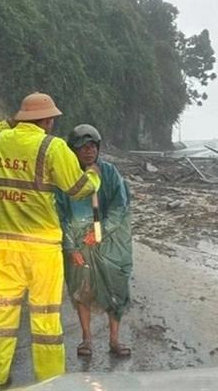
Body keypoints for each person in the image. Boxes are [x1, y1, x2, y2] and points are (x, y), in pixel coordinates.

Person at [0, 92, 101, 387]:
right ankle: (49, 381)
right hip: (42, 248)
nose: (54, 123)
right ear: (47, 120)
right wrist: (94, 175)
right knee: (45, 318)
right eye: (52, 118)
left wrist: (5, 123)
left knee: (3, 314)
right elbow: (78, 188)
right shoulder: (52, 146)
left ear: (20, 117)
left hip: (5, 248)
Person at [55, 124, 133, 359]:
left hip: (109, 241)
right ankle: (86, 338)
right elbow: (59, 213)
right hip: (78, 241)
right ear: (73, 150)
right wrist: (70, 246)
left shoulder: (109, 173)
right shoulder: (66, 177)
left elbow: (120, 206)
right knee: (82, 290)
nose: (88, 151)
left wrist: (102, 231)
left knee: (115, 289)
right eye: (82, 147)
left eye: (92, 146)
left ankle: (114, 340)